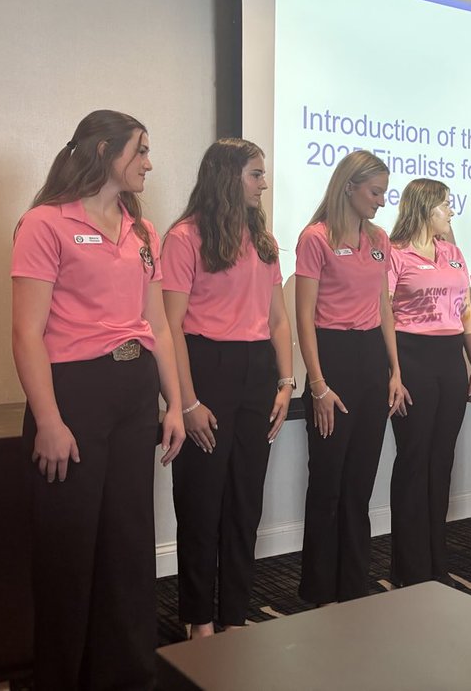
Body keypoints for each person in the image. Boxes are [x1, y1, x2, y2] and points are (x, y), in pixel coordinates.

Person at [11, 110, 185, 690]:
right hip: (74, 393)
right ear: (104, 151)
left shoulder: (142, 230)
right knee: (69, 549)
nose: (148, 163)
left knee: (129, 541)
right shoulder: (44, 223)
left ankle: (127, 675)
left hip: (134, 392)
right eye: (140, 151)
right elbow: (26, 332)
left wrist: (176, 404)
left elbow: (156, 321)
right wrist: (49, 420)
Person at [162, 140, 294, 638]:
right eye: (256, 174)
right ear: (227, 177)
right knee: (200, 502)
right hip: (206, 369)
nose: (264, 183)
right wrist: (187, 401)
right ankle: (198, 618)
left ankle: (235, 613)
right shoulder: (184, 238)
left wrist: (285, 381)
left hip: (257, 372)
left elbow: (278, 320)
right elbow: (170, 326)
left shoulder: (264, 241)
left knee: (245, 501)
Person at [294, 150, 405, 604]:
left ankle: (353, 585)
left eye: (384, 192)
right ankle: (319, 589)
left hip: (371, 362)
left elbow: (384, 309)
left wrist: (395, 370)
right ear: (349, 187)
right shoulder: (314, 238)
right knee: (327, 483)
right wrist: (317, 384)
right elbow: (303, 317)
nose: (382, 201)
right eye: (375, 192)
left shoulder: (379, 238)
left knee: (359, 483)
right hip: (332, 359)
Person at [387, 179, 471, 586]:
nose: (451, 213)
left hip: (449, 360)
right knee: (414, 460)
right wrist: (393, 371)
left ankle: (435, 559)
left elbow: (465, 313)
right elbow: (383, 317)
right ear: (426, 209)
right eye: (446, 206)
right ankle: (409, 566)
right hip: (411, 358)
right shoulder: (395, 254)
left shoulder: (454, 252)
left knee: (441, 460)